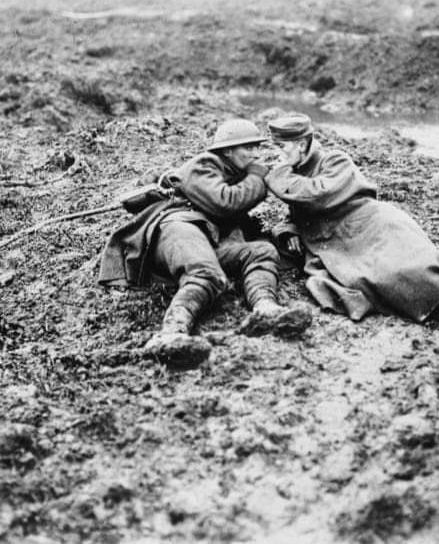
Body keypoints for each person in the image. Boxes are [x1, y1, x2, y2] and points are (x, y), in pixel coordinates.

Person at [264, 113, 439, 342]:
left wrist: (279, 174)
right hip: (339, 240)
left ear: (302, 144)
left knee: (407, 266)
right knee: (370, 279)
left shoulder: (334, 159)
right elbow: (298, 212)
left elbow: (317, 195)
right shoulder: (295, 172)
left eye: (282, 147)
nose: (278, 154)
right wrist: (288, 230)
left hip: (370, 223)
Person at [98, 118, 312, 369]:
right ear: (228, 150)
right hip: (178, 229)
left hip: (208, 238)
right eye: (248, 148)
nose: (255, 154)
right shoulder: (204, 165)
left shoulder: (235, 172)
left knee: (261, 251)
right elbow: (227, 202)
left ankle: (265, 308)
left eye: (257, 147)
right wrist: (257, 177)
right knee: (206, 274)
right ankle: (170, 334)